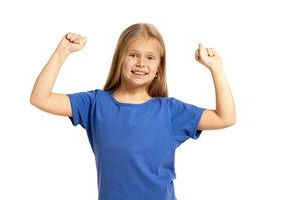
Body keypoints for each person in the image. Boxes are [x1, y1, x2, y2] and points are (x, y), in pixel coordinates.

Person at [30, 23, 236, 200]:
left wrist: (216, 68)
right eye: (133, 55)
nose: (141, 63)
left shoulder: (170, 111)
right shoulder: (94, 104)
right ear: (120, 58)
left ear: (159, 68)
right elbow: (40, 98)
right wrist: (62, 51)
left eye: (150, 58)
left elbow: (225, 117)